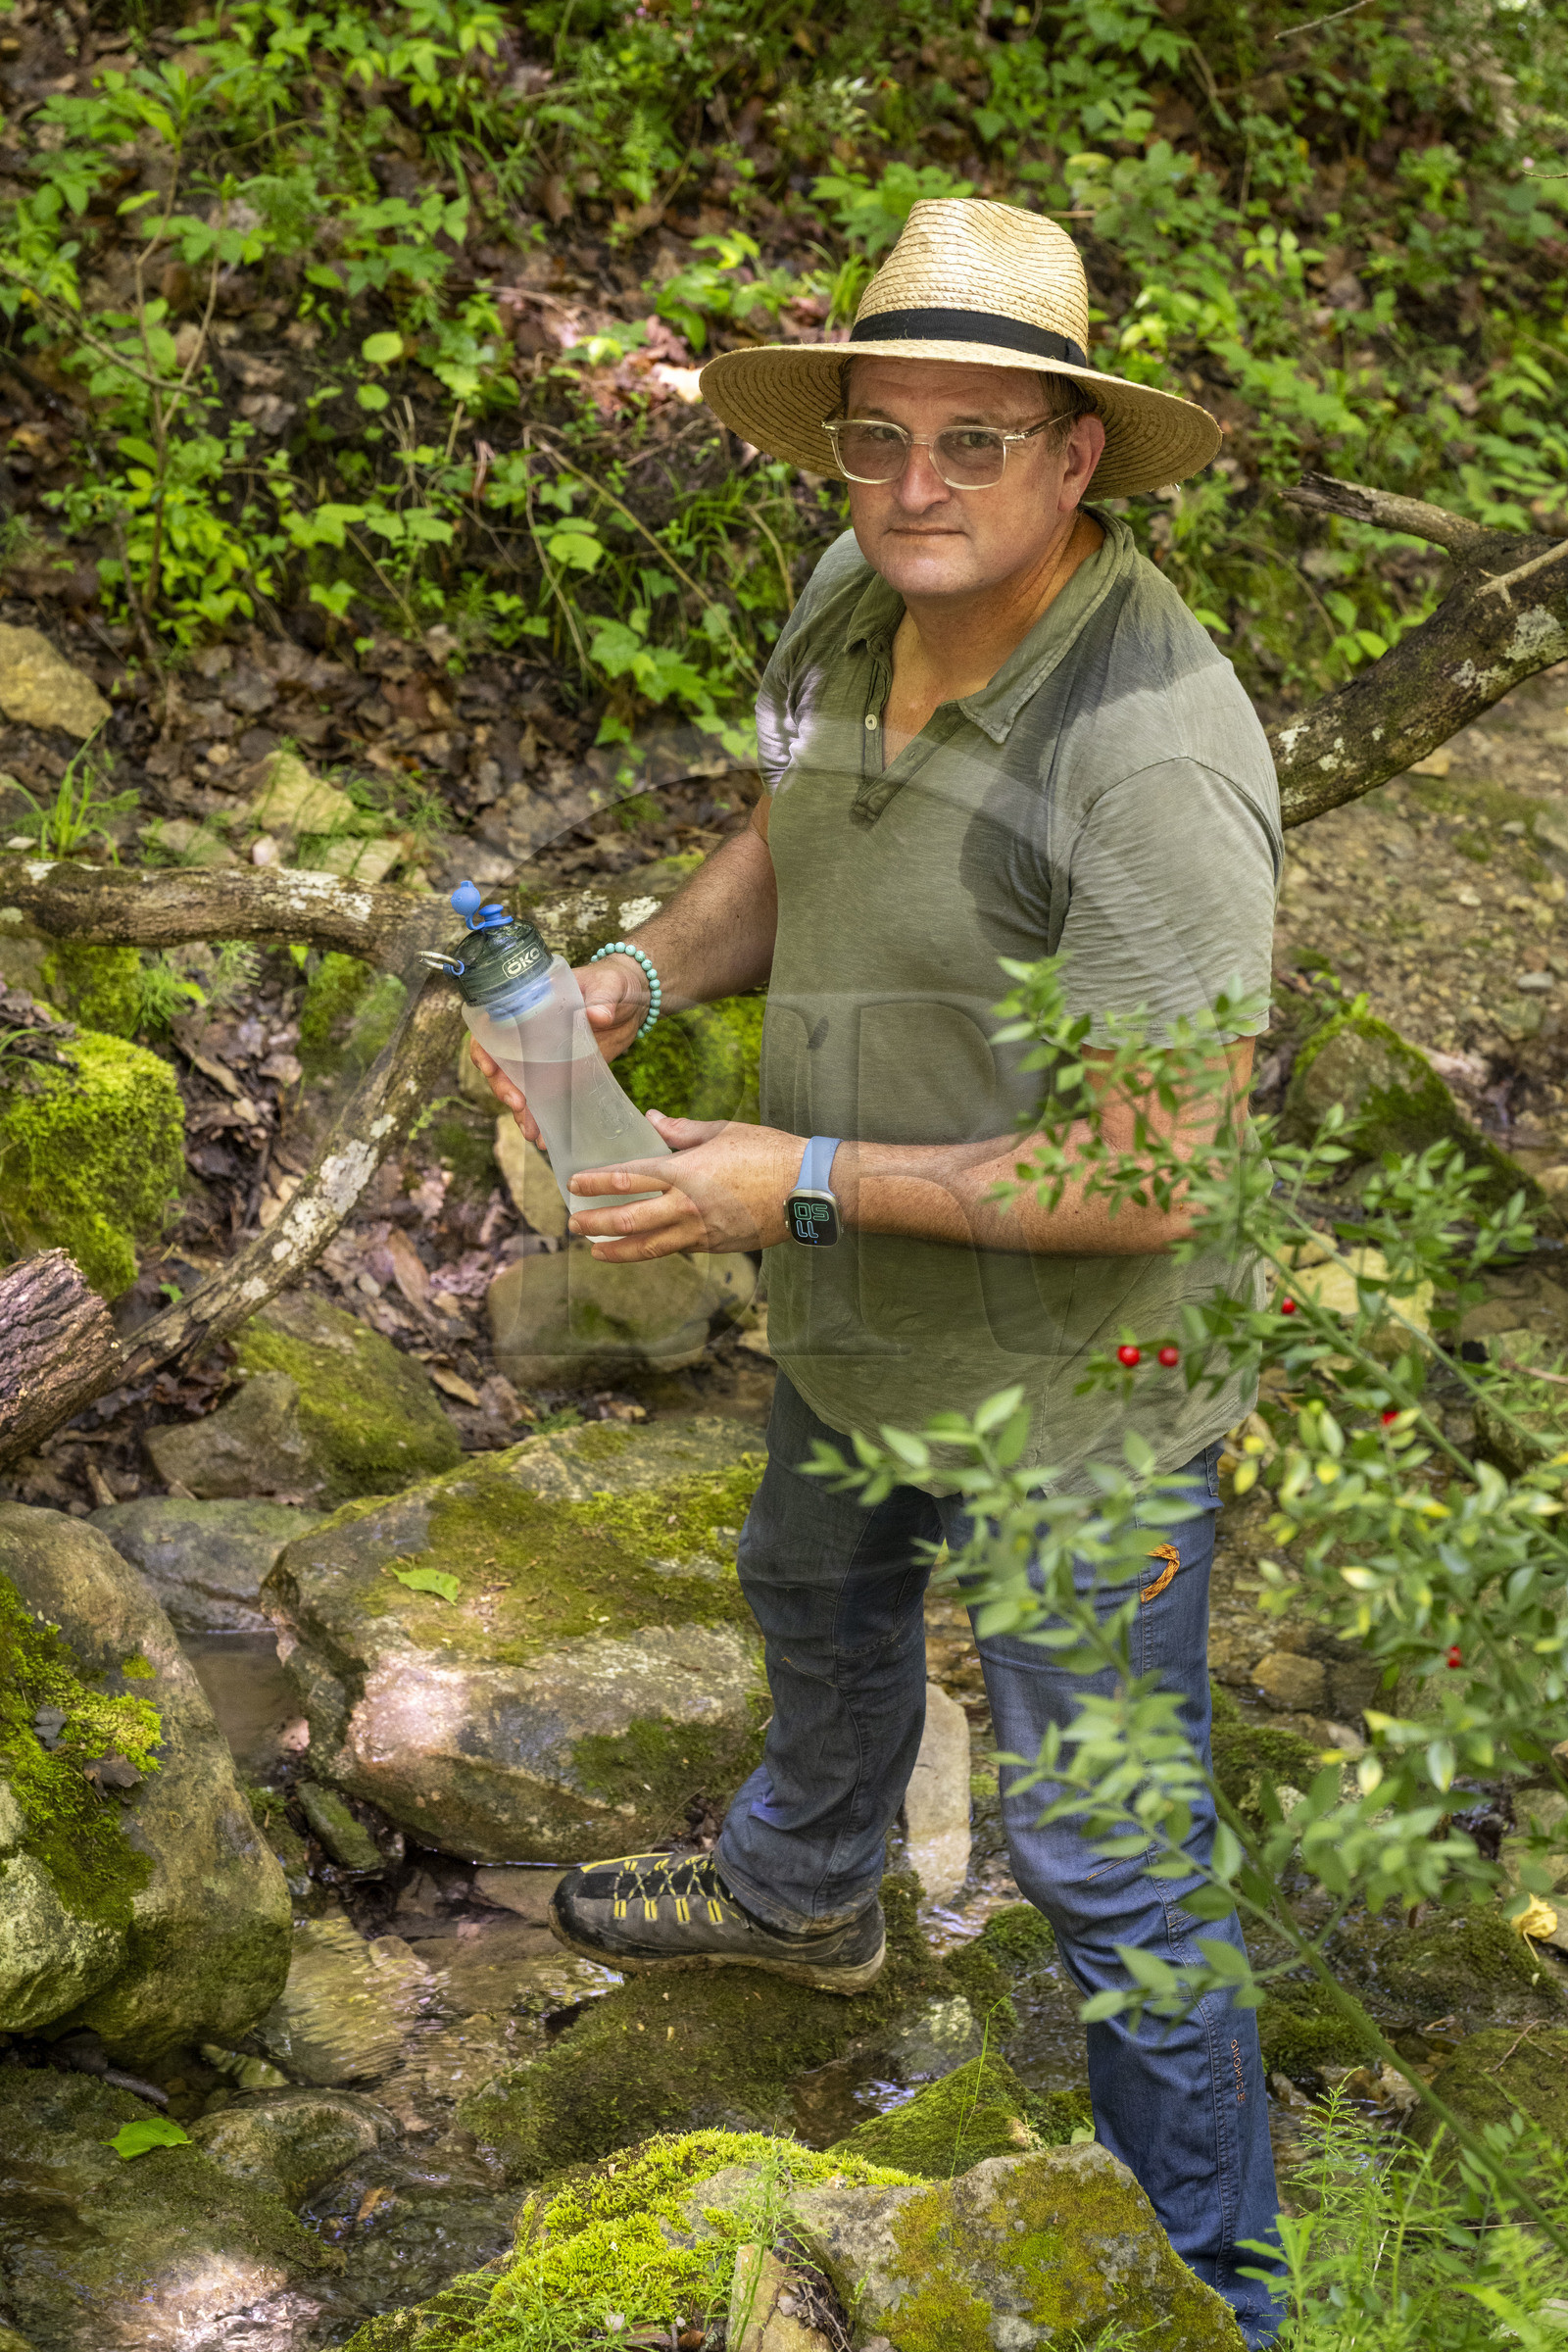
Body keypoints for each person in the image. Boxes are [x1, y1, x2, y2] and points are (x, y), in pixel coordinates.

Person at [469, 199, 1283, 2344]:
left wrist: (789, 1176)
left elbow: (1150, 1165)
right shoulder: (858, 586)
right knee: (810, 1593)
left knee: (1112, 1872)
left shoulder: (1153, 756)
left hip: (1074, 1400)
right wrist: (637, 974)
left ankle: (1220, 2299)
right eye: (874, 437)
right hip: (851, 1316)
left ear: (1073, 457)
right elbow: (791, 830)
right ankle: (805, 1894)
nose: (912, 488)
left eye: (973, 444)